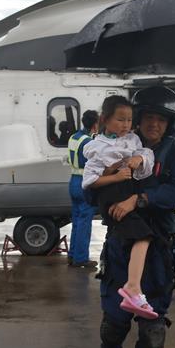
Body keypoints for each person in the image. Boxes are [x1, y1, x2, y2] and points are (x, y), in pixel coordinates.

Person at [95, 86, 175, 348]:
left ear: (170, 123)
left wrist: (141, 198)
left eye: (161, 120)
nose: (154, 124)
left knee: (152, 328)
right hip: (123, 244)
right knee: (115, 322)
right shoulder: (115, 148)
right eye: (148, 117)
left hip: (160, 249)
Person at [83, 96, 157, 319]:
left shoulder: (132, 139)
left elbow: (146, 156)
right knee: (143, 236)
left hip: (127, 193)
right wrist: (115, 177)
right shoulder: (96, 148)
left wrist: (139, 160)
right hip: (112, 197)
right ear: (104, 120)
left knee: (139, 238)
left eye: (129, 120)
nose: (126, 125)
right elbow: (89, 182)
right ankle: (132, 289)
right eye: (120, 119)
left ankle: (135, 290)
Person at [67, 110, 99, 268]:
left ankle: (72, 255)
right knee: (84, 223)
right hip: (83, 183)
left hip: (73, 181)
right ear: (94, 125)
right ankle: (81, 259)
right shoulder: (88, 142)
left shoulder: (74, 137)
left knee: (77, 221)